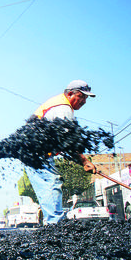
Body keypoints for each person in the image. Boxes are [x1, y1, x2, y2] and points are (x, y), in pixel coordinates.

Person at [25, 80, 97, 224]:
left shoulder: (59, 104)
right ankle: (54, 226)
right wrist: (84, 161)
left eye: (86, 98)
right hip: (37, 154)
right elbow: (67, 140)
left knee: (51, 184)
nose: (84, 101)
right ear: (70, 94)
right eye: (82, 97)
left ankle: (54, 223)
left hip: (35, 152)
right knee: (51, 184)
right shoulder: (63, 108)